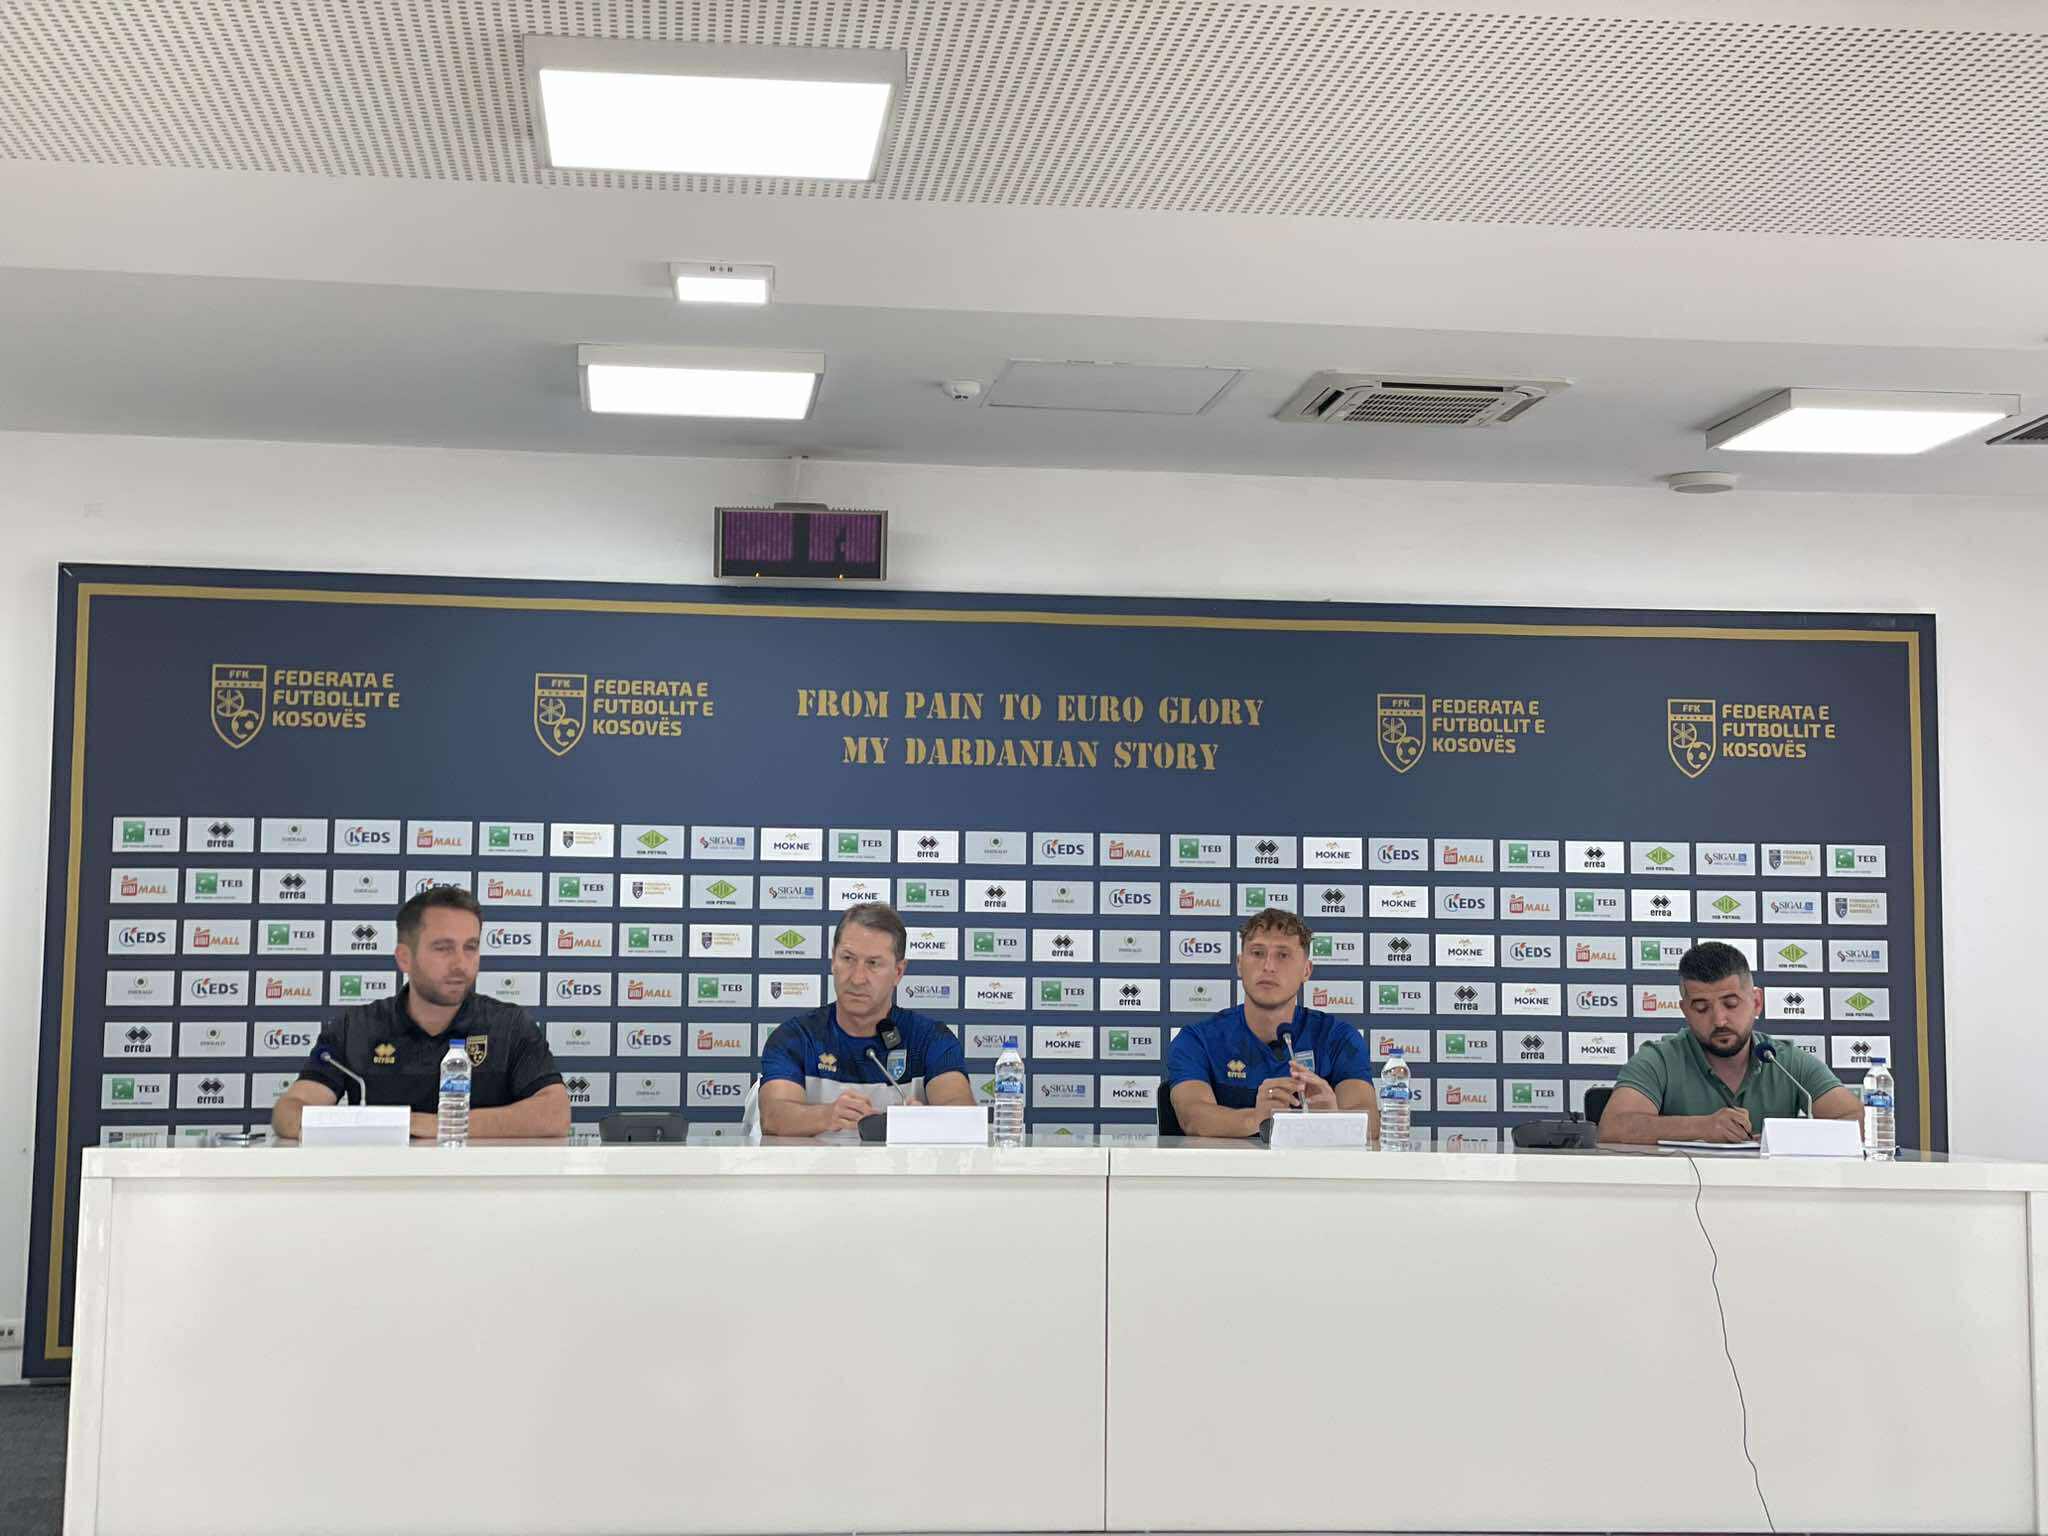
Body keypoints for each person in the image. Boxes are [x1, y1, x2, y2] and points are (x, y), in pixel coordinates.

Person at [272, 885, 570, 1140]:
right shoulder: (356, 1027)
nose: (461, 964)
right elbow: (289, 1112)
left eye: (470, 947)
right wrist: (377, 1129)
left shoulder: (510, 1026)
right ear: (404, 958)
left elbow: (554, 1114)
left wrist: (434, 1125)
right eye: (443, 948)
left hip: (481, 1187)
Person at [1598, 939, 1860, 1145]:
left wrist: (1784, 1139)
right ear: (1685, 1011)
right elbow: (1613, 1127)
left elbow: (1855, 1119)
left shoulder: (1786, 1061)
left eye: (1731, 1004)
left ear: (1756, 1002)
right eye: (1701, 1008)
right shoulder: (1659, 1059)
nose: (1719, 1020)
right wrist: (1702, 1127)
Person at [759, 901, 972, 1135]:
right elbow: (773, 1117)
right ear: (833, 961)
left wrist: (928, 1121)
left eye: (873, 964)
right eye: (848, 959)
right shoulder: (795, 1038)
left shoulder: (930, 1039)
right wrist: (827, 1115)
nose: (857, 978)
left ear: (898, 972)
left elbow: (963, 1115)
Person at [1166, 909, 1378, 1138]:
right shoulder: (1197, 1040)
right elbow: (1193, 1118)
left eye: (1283, 955)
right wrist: (1258, 1119)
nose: (1268, 966)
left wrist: (1334, 1119)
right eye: (1257, 953)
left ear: (1306, 970)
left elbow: (1371, 1125)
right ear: (1239, 964)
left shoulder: (1339, 1038)